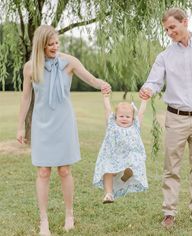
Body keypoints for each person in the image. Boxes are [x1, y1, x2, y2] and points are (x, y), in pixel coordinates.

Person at [16, 25, 111, 236]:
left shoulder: (69, 62)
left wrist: (101, 84)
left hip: (63, 122)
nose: (55, 47)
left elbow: (90, 78)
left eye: (57, 43)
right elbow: (26, 98)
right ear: (41, 45)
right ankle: (44, 221)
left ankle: (69, 214)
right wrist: (21, 125)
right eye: (50, 44)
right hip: (42, 124)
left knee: (64, 170)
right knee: (43, 171)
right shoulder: (30, 68)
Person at [139, 7, 192, 229]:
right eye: (166, 29)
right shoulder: (164, 56)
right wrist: (147, 89)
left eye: (172, 27)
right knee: (171, 167)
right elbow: (155, 81)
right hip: (175, 118)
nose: (169, 32)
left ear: (185, 22)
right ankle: (169, 212)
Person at [93, 93, 148, 203]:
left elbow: (141, 113)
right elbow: (107, 109)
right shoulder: (112, 125)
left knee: (133, 161)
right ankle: (109, 194)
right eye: (121, 116)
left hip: (130, 155)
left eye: (128, 117)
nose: (124, 119)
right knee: (107, 170)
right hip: (112, 155)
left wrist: (144, 101)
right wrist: (106, 97)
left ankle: (127, 173)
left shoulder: (135, 126)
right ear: (115, 117)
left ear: (133, 118)